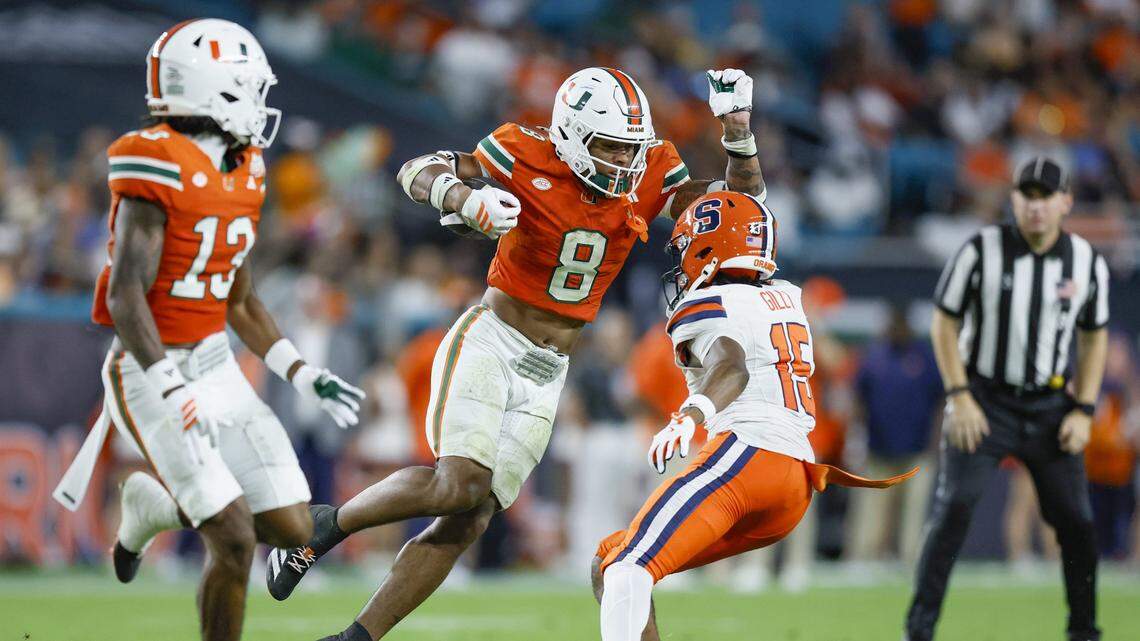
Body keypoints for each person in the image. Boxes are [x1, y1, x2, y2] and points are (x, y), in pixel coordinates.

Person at [266, 68, 767, 641]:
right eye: (610, 147)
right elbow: (415, 170)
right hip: (493, 340)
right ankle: (325, 526)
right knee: (458, 484)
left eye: (631, 148)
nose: (624, 162)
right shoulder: (523, 151)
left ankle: (355, 637)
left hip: (551, 370)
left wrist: (737, 133)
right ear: (572, 135)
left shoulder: (650, 167)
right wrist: (464, 198)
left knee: (470, 518)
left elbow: (739, 210)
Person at [90, 19, 363, 641]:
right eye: (250, 90)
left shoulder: (246, 167)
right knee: (235, 537)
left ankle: (153, 508)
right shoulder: (155, 161)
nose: (260, 105)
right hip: (148, 366)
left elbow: (239, 298)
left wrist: (303, 373)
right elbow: (125, 294)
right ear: (209, 89)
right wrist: (170, 385)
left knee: (295, 527)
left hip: (213, 358)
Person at [592, 191, 915, 641]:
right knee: (609, 561)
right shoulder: (787, 296)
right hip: (795, 482)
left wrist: (690, 414)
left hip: (747, 457)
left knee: (626, 566)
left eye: (686, 246)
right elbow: (747, 202)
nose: (682, 260)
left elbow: (731, 366)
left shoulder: (705, 305)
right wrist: (742, 148)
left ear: (709, 248)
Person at [905, 156, 1110, 641]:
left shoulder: (1085, 260)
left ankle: (1084, 631)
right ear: (1014, 199)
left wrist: (1084, 409)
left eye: (1046, 196)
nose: (1036, 206)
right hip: (985, 400)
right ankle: (918, 632)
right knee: (953, 510)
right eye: (1027, 195)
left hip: (1051, 406)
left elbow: (1094, 335)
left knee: (1077, 523)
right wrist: (959, 395)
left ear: (1066, 202)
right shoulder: (981, 250)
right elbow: (944, 321)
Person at [848, 304, 942, 564]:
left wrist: (936, 440)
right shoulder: (874, 357)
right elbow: (858, 399)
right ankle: (866, 558)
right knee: (873, 508)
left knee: (913, 509)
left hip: (917, 448)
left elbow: (940, 400)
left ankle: (910, 559)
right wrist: (856, 437)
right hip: (878, 447)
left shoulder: (923, 357)